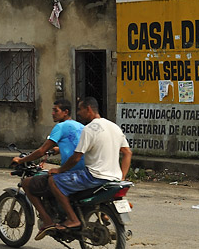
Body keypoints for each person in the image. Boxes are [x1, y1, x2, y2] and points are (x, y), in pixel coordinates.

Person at [37, 97, 132, 238]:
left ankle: (72, 219)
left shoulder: (89, 129)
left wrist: (59, 170)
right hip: (114, 178)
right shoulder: (114, 127)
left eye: (81, 109)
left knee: (54, 181)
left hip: (94, 176)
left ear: (88, 109)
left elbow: (76, 157)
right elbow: (127, 153)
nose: (79, 113)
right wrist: (122, 176)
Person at [12, 99, 85, 231]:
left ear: (65, 112)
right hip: (83, 171)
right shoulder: (80, 126)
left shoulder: (60, 127)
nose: (52, 113)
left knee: (27, 183)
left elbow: (41, 150)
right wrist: (57, 149)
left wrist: (21, 160)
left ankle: (47, 221)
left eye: (55, 110)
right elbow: (74, 144)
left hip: (69, 171)